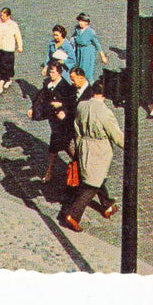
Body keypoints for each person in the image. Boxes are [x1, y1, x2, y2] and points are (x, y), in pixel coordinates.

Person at [59, 66, 124, 232]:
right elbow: (116, 136)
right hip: (99, 150)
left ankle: (107, 205)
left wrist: (80, 146)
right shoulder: (105, 112)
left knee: (95, 176)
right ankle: (73, 214)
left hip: (84, 146)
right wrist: (129, 146)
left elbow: (77, 128)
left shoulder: (82, 106)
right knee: (92, 184)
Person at [29, 60, 77, 182]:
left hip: (64, 123)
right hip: (54, 121)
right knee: (61, 145)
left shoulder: (65, 87)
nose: (51, 74)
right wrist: (32, 109)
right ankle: (73, 164)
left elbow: (72, 103)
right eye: (50, 72)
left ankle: (52, 170)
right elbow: (40, 97)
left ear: (59, 73)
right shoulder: (48, 85)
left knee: (58, 145)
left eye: (53, 72)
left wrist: (62, 108)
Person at [71, 13, 107, 86]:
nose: (80, 23)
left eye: (82, 21)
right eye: (79, 21)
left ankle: (90, 86)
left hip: (87, 52)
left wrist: (102, 56)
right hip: (79, 51)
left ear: (87, 22)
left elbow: (97, 44)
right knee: (78, 69)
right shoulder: (77, 29)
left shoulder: (91, 32)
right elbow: (74, 37)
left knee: (86, 71)